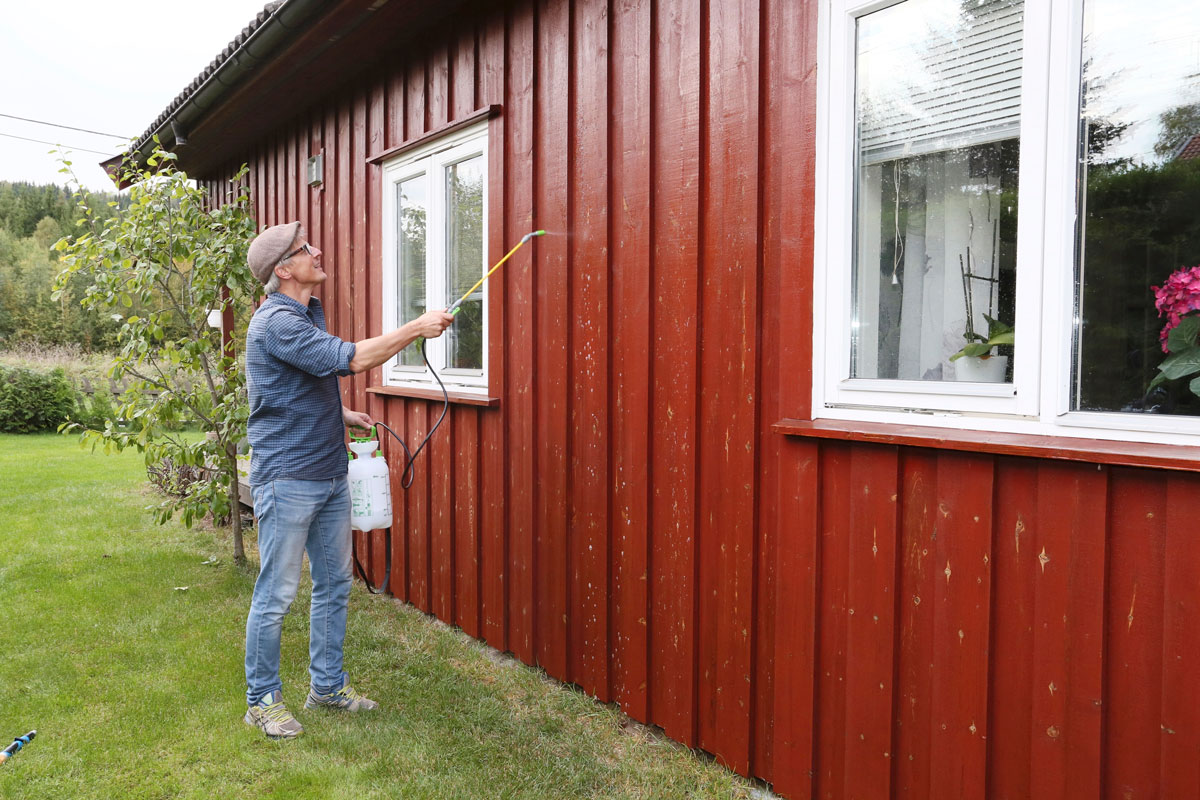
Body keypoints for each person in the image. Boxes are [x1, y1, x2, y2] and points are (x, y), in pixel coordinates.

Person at [242, 221, 454, 739]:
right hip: (288, 478)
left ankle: (327, 688)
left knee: (335, 584)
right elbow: (352, 359)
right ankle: (262, 700)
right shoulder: (276, 322)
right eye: (304, 249)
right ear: (284, 269)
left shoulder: (303, 315)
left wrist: (339, 415)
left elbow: (290, 386)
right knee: (277, 593)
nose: (316, 251)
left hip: (330, 474)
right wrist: (415, 328)